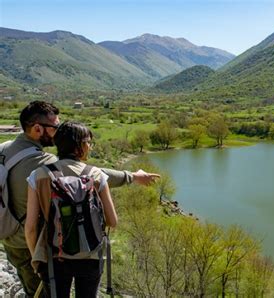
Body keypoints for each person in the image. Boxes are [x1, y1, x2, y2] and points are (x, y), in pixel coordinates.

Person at [0, 101, 159, 297]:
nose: (58, 132)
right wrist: (132, 176)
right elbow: (90, 174)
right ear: (37, 128)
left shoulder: (5, 148)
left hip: (8, 235)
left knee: (32, 288)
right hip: (29, 244)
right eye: (55, 127)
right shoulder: (42, 165)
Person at [25, 121, 118, 297]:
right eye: (88, 142)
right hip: (90, 256)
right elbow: (112, 221)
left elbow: (30, 228)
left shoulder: (38, 176)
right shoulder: (97, 175)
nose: (90, 147)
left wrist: (36, 259)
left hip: (53, 258)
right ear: (80, 146)